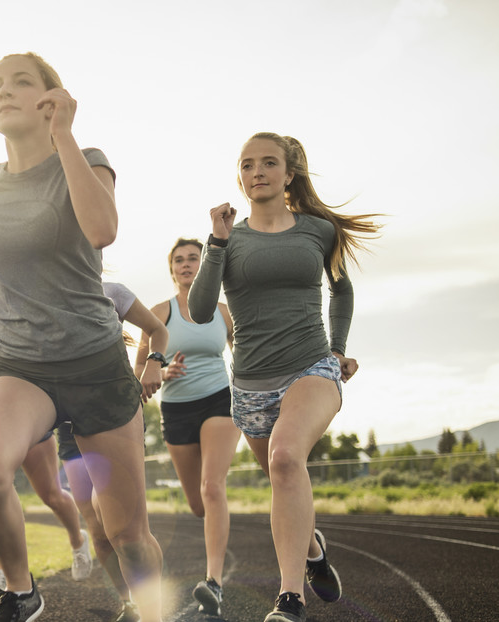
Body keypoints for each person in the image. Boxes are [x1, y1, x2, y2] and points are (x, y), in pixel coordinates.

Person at [0, 52, 164, 622]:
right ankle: (23, 591)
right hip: (22, 363)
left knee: (126, 533)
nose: (4, 92)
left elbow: (102, 230)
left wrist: (65, 136)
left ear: (52, 96)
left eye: (20, 82)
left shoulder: (88, 159)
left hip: (96, 364)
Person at [188, 133, 381, 622]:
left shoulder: (318, 231)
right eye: (248, 164)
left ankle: (288, 599)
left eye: (269, 163)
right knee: (283, 476)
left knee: (286, 457)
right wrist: (216, 241)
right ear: (240, 176)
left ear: (288, 174)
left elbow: (341, 290)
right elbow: (201, 308)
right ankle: (312, 549)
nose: (258, 171)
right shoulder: (229, 239)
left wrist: (338, 348)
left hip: (311, 365)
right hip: (251, 384)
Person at [137, 238, 240, 617]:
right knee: (198, 504)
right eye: (179, 260)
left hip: (220, 401)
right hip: (176, 410)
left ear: (205, 265)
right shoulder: (159, 313)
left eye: (193, 259)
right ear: (172, 270)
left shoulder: (225, 312)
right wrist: (162, 371)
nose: (186, 265)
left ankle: (213, 582)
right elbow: (139, 371)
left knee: (213, 487)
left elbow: (244, 355)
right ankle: (214, 546)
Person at [55, 280, 169, 622]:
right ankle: (129, 604)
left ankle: (153, 612)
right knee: (99, 531)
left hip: (112, 413)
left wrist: (154, 362)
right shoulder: (41, 294)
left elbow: (157, 330)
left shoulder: (110, 291)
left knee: (126, 530)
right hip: (68, 426)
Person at [0, 316, 94, 589]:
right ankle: (3, 570)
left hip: (27, 417)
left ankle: (78, 540)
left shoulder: (24, 311)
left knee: (50, 494)